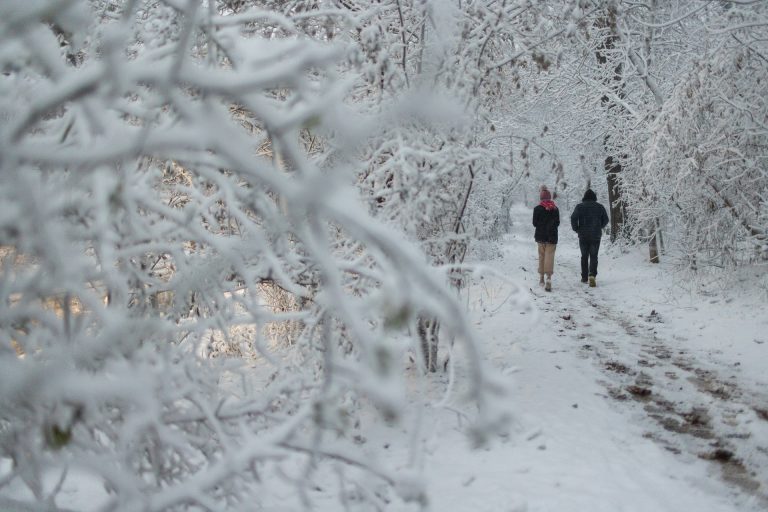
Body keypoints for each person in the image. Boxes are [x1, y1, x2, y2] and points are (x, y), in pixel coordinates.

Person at [570, 188, 609, 287]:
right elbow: (606, 219)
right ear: (594, 197)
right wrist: (599, 226)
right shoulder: (599, 207)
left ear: (585, 197)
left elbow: (573, 218)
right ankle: (592, 275)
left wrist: (576, 229)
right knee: (594, 256)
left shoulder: (579, 207)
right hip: (595, 235)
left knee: (584, 256)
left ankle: (584, 277)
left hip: (583, 235)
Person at [532, 185, 559, 292]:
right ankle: (548, 277)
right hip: (552, 237)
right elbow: (557, 223)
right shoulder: (555, 209)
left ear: (541, 198)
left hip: (541, 237)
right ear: (550, 197)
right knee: (550, 257)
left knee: (542, 256)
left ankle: (541, 278)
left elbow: (534, 223)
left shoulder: (537, 209)